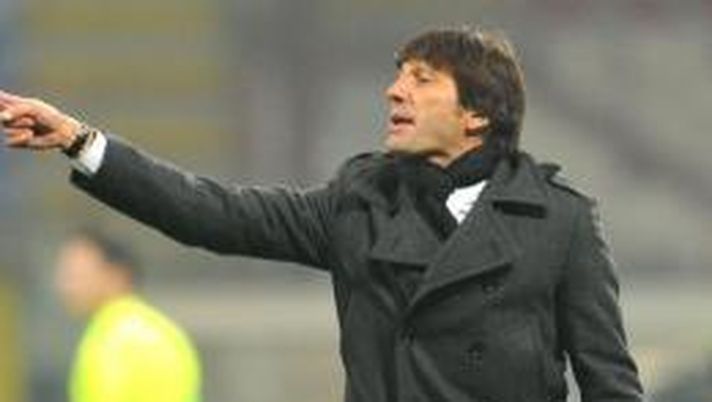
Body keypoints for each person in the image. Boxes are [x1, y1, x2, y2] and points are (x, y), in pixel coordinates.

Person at [1, 26, 644, 402]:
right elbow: (211, 212)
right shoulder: (358, 203)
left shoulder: (561, 223)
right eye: (398, 76)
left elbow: (610, 386)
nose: (395, 90)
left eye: (422, 79)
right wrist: (81, 141)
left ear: (477, 114)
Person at [54, 228, 202, 402]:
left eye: (76, 274)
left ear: (117, 275)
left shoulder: (115, 339)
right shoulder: (161, 330)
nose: (65, 285)